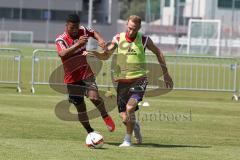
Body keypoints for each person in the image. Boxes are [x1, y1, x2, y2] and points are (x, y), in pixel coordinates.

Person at [85, 15, 173, 147]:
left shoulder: (144, 40)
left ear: (139, 28)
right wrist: (95, 53)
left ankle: (127, 140)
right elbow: (106, 55)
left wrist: (165, 74)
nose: (131, 31)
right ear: (127, 25)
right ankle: (134, 126)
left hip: (139, 80)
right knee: (125, 118)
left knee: (130, 108)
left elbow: (159, 53)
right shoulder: (118, 38)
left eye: (134, 29)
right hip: (122, 82)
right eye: (130, 28)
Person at [55, 14, 115, 136]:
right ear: (67, 26)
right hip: (72, 79)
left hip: (85, 72)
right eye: (72, 28)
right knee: (81, 110)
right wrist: (77, 44)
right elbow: (62, 54)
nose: (75, 30)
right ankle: (90, 132)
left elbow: (93, 32)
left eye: (76, 27)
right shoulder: (61, 40)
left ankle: (105, 115)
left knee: (94, 97)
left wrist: (100, 39)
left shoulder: (82, 30)